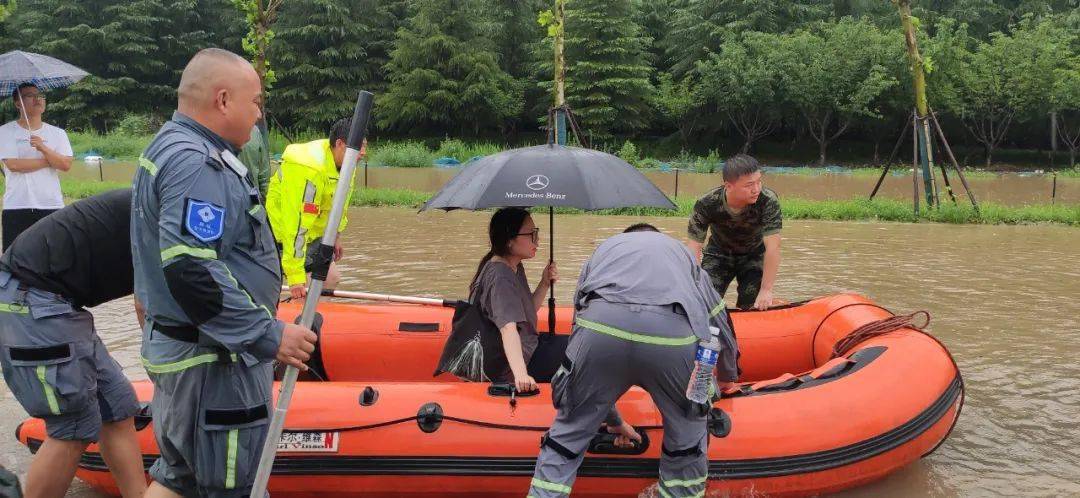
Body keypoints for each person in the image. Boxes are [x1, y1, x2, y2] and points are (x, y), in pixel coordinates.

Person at [131, 48, 317, 498]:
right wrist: (269, 334)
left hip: (181, 352)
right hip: (214, 366)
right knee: (233, 486)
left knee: (179, 479)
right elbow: (191, 270)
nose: (258, 115)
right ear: (222, 100)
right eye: (255, 102)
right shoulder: (198, 163)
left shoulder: (167, 148)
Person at [529, 223, 739, 498]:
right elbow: (717, 316)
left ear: (627, 237)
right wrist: (726, 376)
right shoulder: (682, 253)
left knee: (569, 430)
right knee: (688, 424)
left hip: (601, 330)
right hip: (671, 339)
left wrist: (611, 418)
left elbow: (581, 320)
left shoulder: (604, 250)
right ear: (656, 237)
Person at [0, 189, 145, 498]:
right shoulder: (168, 215)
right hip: (30, 298)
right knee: (74, 424)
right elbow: (147, 305)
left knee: (117, 407)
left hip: (56, 301)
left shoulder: (162, 199)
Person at [265, 118, 366, 300]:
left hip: (313, 234)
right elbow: (295, 226)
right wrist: (295, 277)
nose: (364, 153)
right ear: (340, 144)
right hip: (281, 235)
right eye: (360, 147)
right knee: (298, 284)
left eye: (365, 146)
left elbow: (340, 204)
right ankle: (290, 317)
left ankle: (311, 316)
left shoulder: (347, 163)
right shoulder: (308, 169)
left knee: (331, 278)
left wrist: (336, 235)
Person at [467, 207, 557, 393]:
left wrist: (544, 283)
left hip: (529, 347)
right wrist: (521, 375)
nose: (537, 240)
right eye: (531, 234)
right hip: (508, 365)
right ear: (509, 240)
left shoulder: (514, 266)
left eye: (536, 232)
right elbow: (508, 328)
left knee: (577, 347)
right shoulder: (500, 276)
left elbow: (526, 312)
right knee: (578, 358)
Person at [687, 154, 782, 310]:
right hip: (718, 254)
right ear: (729, 186)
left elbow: (773, 247)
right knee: (704, 303)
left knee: (752, 305)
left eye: (759, 181)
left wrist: (766, 290)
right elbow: (694, 246)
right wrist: (696, 284)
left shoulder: (767, 200)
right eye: (749, 185)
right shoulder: (707, 203)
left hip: (754, 255)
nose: (756, 189)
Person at [0, 83, 73, 250]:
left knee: (54, 257)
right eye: (30, 96)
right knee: (15, 258)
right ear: (18, 103)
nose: (38, 99)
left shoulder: (57, 133)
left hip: (51, 204)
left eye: (39, 95)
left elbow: (66, 164)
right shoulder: (5, 131)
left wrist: (43, 148)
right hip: (17, 205)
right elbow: (14, 165)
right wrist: (50, 160)